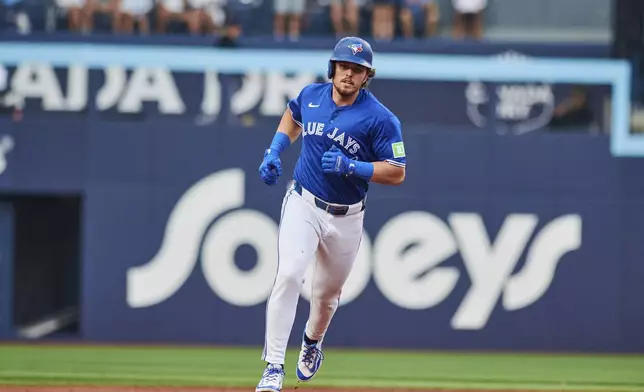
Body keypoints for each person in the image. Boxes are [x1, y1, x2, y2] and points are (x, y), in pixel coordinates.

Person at [255, 36, 407, 392]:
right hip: (304, 201)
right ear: (333, 68)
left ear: (367, 76)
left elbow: (397, 171)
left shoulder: (381, 119)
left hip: (347, 216)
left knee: (325, 296)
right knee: (290, 274)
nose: (349, 74)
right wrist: (274, 151)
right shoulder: (312, 96)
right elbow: (293, 117)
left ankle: (311, 342)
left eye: (358, 69)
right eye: (344, 67)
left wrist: (353, 166)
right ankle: (273, 367)